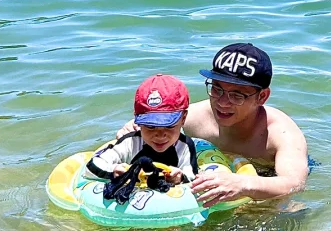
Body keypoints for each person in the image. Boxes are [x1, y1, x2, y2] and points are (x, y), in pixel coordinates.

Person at [186, 42, 309, 206]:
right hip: (222, 167)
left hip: (267, 175)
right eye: (217, 89)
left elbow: (294, 184)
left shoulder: (281, 134)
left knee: (290, 209)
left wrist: (242, 184)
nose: (222, 102)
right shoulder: (193, 118)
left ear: (262, 97)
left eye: (237, 95)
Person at [89, 74, 198, 184]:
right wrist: (113, 171)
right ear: (138, 121)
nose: (160, 135)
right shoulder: (130, 143)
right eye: (150, 126)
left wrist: (180, 177)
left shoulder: (185, 146)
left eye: (169, 126)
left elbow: (192, 176)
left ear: (183, 119)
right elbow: (93, 165)